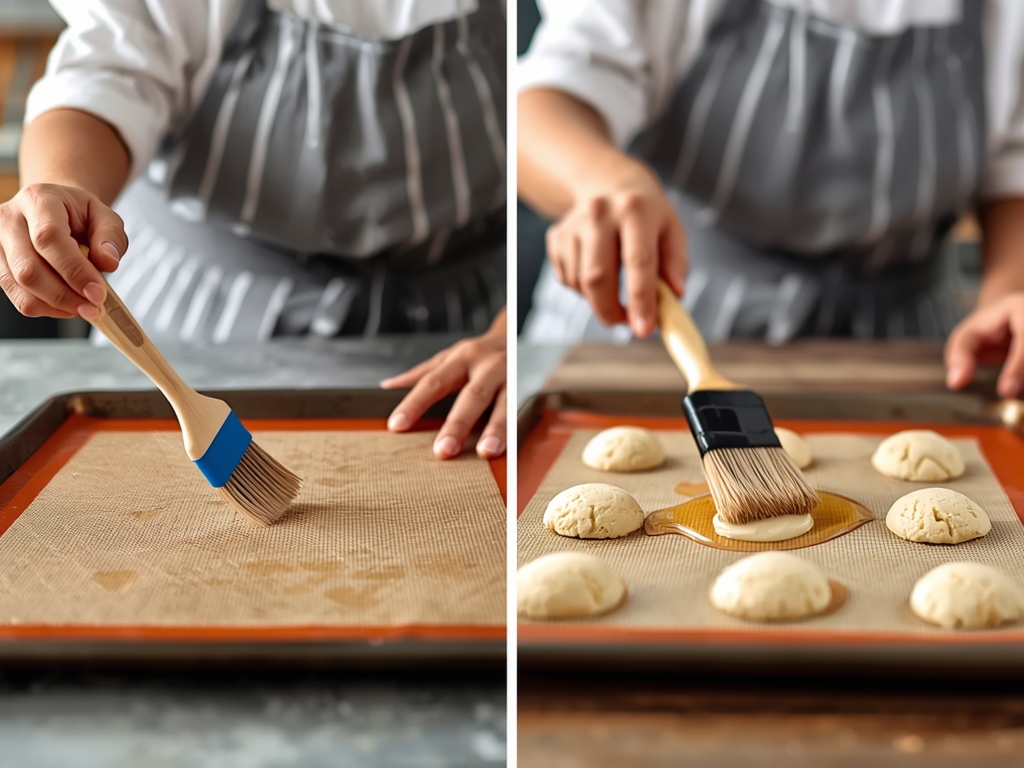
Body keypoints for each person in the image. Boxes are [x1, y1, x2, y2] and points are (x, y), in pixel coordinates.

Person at [0, 0, 508, 460]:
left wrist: (511, 340)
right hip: (199, 323)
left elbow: (571, 74)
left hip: (461, 345)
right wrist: (60, 189)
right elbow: (109, 71)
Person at [518, 0, 1024, 400]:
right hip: (659, 325)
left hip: (909, 357)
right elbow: (542, 105)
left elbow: (1013, 173)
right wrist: (605, 183)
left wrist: (1007, 292)